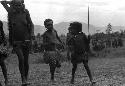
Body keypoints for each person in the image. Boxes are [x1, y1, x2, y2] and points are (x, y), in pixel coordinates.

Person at [1, 0, 34, 85]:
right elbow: (2, 2)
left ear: (22, 5)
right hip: (16, 41)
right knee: (21, 59)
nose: (18, 7)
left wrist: (32, 34)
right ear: (13, 6)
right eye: (16, 5)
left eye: (20, 5)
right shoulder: (11, 12)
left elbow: (31, 24)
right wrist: (11, 2)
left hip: (26, 40)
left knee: (26, 61)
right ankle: (23, 79)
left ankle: (25, 79)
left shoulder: (25, 12)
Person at [0, 20, 8, 86]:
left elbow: (2, 33)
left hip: (0, 47)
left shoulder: (0, 23)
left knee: (2, 63)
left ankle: (6, 79)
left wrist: (4, 42)